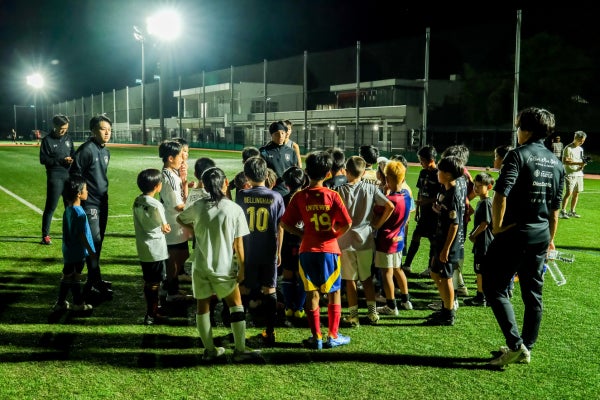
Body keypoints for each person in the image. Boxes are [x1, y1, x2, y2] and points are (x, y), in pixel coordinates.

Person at [484, 107, 564, 367]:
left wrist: (497, 227)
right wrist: (550, 239)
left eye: (518, 127)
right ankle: (527, 347)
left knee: (494, 287)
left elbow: (500, 194)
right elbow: (555, 211)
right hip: (541, 234)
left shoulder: (517, 155)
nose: (517, 131)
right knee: (533, 293)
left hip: (515, 233)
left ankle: (516, 345)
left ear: (525, 130)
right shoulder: (557, 163)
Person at [177, 167, 263, 363]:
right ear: (225, 183)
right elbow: (238, 244)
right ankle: (240, 350)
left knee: (202, 307)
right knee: (236, 305)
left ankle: (209, 350)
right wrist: (242, 269)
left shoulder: (199, 206)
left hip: (200, 265)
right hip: (223, 266)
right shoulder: (233, 209)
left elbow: (179, 218)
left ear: (206, 187)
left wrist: (196, 229)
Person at [280, 151, 353, 350]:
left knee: (311, 293)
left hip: (307, 250)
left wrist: (302, 234)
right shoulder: (333, 195)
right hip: (329, 251)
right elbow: (347, 223)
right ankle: (333, 335)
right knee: (334, 292)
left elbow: (285, 224)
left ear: (306, 172)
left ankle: (317, 337)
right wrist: (333, 235)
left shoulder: (299, 196)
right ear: (328, 174)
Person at [337, 156, 394, 327]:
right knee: (367, 278)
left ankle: (354, 316)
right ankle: (372, 313)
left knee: (350, 280)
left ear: (346, 172)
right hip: (366, 240)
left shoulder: (339, 190)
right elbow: (390, 206)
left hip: (345, 240)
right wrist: (377, 224)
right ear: (363, 172)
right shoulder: (371, 188)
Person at [236, 156, 285, 347]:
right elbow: (280, 227)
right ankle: (270, 332)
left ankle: (239, 332)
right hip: (268, 251)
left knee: (244, 289)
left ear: (247, 176)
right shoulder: (276, 197)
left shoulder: (242, 195)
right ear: (266, 175)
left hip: (247, 250)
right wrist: (279, 251)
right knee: (270, 289)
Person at [70, 114, 113, 303]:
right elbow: (74, 175)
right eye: (103, 129)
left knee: (98, 241)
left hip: (103, 201)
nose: (107, 133)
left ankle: (94, 279)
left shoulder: (106, 151)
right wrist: (78, 201)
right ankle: (88, 282)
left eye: (109, 130)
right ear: (93, 131)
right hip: (90, 203)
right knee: (92, 241)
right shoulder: (86, 150)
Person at [424, 155, 465, 326]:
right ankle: (446, 306)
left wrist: (446, 249)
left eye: (440, 170)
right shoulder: (446, 190)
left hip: (448, 244)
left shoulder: (453, 194)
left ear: (448, 174)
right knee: (434, 273)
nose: (437, 173)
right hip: (440, 240)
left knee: (446, 277)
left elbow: (455, 225)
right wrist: (438, 210)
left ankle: (448, 314)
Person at [373, 160, 414, 316]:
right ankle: (406, 300)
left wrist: (384, 194)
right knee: (398, 269)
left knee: (387, 273)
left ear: (388, 179)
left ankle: (391, 305)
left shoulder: (388, 201)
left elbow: (377, 216)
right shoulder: (406, 195)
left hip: (386, 240)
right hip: (399, 238)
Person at [51, 175, 94, 314]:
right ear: (78, 193)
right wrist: (91, 251)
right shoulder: (79, 213)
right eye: (85, 189)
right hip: (78, 251)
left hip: (68, 250)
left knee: (67, 275)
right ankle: (78, 304)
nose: (87, 191)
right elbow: (81, 235)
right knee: (75, 277)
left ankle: (61, 303)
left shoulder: (68, 210)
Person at [132, 169, 171, 325]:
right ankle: (151, 314)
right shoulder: (156, 204)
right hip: (156, 249)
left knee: (149, 281)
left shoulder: (137, 200)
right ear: (157, 186)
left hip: (143, 247)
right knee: (154, 283)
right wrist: (166, 227)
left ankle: (153, 309)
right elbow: (165, 227)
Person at [158, 139, 193, 304]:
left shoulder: (173, 174)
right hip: (173, 223)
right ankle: (171, 291)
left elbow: (182, 197)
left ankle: (170, 285)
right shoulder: (168, 177)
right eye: (180, 155)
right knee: (173, 258)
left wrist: (184, 181)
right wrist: (195, 207)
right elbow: (179, 205)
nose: (183, 158)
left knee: (183, 255)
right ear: (170, 158)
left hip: (178, 223)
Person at [402, 145, 440, 276]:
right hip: (423, 212)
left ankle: (430, 268)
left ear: (431, 160)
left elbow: (440, 196)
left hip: (434, 213)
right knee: (416, 235)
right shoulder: (423, 173)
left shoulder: (438, 174)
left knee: (433, 240)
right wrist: (418, 209)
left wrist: (426, 202)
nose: (420, 163)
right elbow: (420, 191)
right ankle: (407, 265)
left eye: (422, 160)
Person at [40, 114, 75, 245]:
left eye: (66, 128)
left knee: (69, 207)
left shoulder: (68, 138)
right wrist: (61, 160)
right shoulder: (47, 140)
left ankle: (69, 233)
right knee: (50, 207)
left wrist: (72, 159)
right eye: (61, 128)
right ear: (54, 126)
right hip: (55, 177)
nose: (63, 131)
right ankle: (45, 236)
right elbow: (43, 159)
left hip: (68, 176)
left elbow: (73, 154)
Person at [279, 166, 308, 321]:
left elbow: (280, 224)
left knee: (288, 274)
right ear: (303, 182)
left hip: (287, 243)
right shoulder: (307, 198)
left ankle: (289, 307)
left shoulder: (282, 199)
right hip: (303, 243)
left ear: (286, 184)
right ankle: (300, 308)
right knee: (301, 275)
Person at [464, 172, 494, 307]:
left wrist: (473, 235)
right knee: (483, 270)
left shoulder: (486, 203)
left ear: (489, 187)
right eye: (475, 186)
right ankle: (487, 295)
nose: (476, 188)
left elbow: (485, 223)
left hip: (483, 242)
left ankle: (480, 297)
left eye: (480, 186)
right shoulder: (482, 201)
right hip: (484, 242)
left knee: (480, 270)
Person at [259, 121, 298, 197]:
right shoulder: (263, 151)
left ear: (285, 134)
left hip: (287, 192)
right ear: (271, 135)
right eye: (277, 134)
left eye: (282, 133)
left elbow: (295, 171)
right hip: (270, 192)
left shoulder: (291, 152)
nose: (280, 136)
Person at [560, 131, 587, 219]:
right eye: (581, 140)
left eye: (583, 140)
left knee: (576, 193)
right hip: (570, 173)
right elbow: (565, 161)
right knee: (569, 193)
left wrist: (582, 165)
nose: (582, 142)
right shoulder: (568, 148)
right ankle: (563, 211)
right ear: (575, 138)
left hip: (579, 174)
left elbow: (581, 160)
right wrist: (579, 163)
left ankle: (572, 211)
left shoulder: (580, 149)